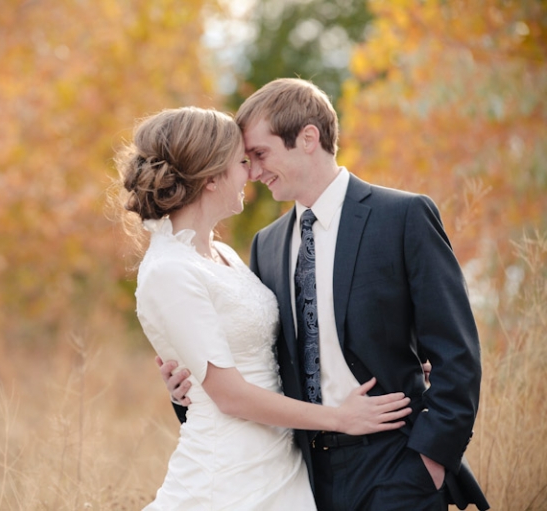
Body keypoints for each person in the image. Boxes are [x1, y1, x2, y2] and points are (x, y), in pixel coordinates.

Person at [159, 79, 489, 510]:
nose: (253, 172)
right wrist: (185, 394)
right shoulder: (267, 244)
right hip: (304, 476)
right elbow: (260, 363)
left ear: (309, 138)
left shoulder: (402, 217)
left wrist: (429, 462)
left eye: (260, 154)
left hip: (395, 464)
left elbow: (456, 351)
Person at [115, 106, 412, 510]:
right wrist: (340, 418)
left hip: (281, 464)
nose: (250, 174)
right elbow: (231, 396)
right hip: (228, 476)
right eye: (241, 162)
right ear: (210, 178)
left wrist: (391, 352)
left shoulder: (221, 254)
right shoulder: (168, 270)